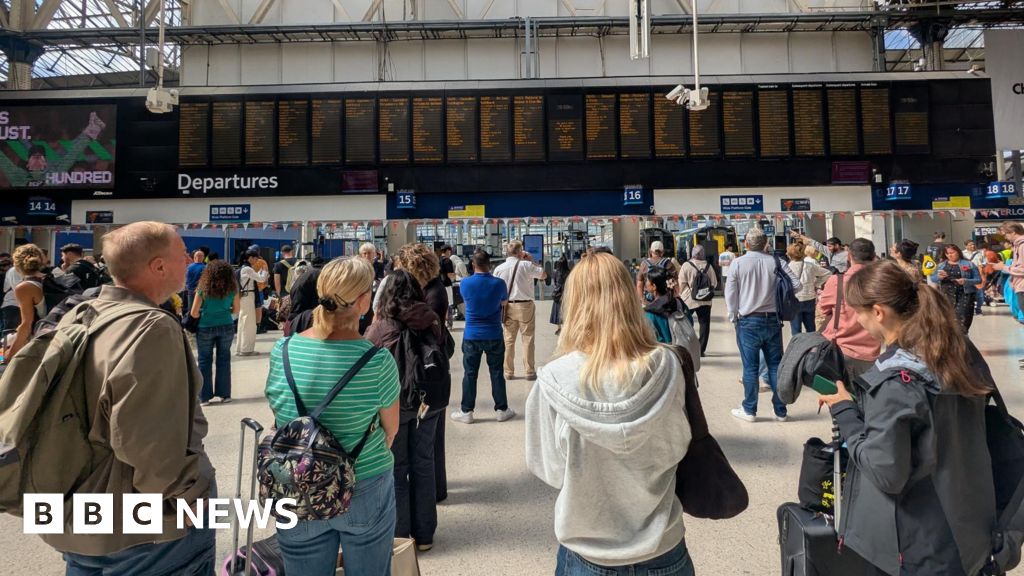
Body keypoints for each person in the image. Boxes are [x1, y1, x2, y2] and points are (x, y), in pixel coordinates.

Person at [818, 259, 995, 576]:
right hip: (971, 525)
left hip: (921, 540)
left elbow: (887, 472)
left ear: (878, 312)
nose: (858, 321)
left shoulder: (895, 379)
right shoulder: (957, 351)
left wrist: (845, 411)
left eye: (858, 312)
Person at [57, 221, 216, 575]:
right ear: (158, 266)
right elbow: (146, 439)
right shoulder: (152, 327)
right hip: (143, 522)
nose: (189, 260)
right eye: (182, 253)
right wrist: (188, 494)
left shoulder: (80, 314)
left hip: (79, 504)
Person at [526, 251, 693, 576]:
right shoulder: (668, 365)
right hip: (664, 547)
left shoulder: (553, 380)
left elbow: (552, 470)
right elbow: (678, 446)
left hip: (587, 551)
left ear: (574, 304)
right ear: (629, 296)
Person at [266, 256, 400, 576]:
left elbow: (281, 415)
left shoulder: (283, 351)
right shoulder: (377, 361)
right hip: (363, 481)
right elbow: (391, 430)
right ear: (364, 302)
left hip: (296, 484)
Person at [365, 270, 448, 552]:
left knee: (397, 468)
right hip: (429, 400)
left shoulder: (380, 326)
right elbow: (445, 349)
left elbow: (366, 360)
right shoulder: (430, 318)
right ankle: (425, 535)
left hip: (394, 403)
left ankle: (400, 536)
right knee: (424, 463)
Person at [725, 228, 801, 423]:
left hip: (748, 321)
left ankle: (749, 409)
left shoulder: (737, 263)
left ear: (746, 244)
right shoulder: (777, 262)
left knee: (750, 368)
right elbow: (797, 285)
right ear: (766, 244)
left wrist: (733, 316)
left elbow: (731, 294)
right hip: (773, 320)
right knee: (775, 366)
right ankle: (780, 411)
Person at [451, 250, 513, 424]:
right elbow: (503, 303)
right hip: (494, 333)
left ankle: (467, 411)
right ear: (490, 264)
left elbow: (467, 300)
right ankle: (502, 410)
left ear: (473, 264)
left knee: (470, 373)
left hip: (472, 335)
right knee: (497, 372)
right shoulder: (499, 284)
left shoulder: (465, 283)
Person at [818, 238, 882, 381]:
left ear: (849, 256)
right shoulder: (881, 282)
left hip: (840, 348)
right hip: (870, 351)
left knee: (840, 393)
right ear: (873, 256)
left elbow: (823, 310)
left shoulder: (836, 281)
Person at [494, 240, 547, 381]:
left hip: (507, 306)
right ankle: (529, 371)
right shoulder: (527, 265)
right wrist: (532, 260)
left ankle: (508, 372)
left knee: (509, 340)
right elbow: (543, 275)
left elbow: (495, 288)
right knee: (527, 339)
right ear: (520, 252)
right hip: (525, 306)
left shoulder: (499, 268)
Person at [189, 260, 240, 406]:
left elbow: (193, 312)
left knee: (204, 360)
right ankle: (225, 395)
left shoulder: (202, 288)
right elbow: (236, 310)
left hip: (205, 326)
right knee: (224, 359)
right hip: (226, 325)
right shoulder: (232, 288)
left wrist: (205, 313)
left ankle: (204, 397)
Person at [6, 244, 47, 359]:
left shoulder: (24, 287)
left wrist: (10, 354)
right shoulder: (49, 278)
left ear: (16, 264)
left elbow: (26, 324)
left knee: (2, 354)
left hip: (39, 339)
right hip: (56, 332)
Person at [677, 244, 718, 355]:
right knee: (704, 325)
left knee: (685, 323)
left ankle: (687, 347)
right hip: (706, 300)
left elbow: (681, 283)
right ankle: (701, 350)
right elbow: (714, 283)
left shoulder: (686, 265)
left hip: (689, 300)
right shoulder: (708, 266)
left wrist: (682, 294)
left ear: (692, 253)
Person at [936, 244, 980, 333]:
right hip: (946, 295)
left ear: (958, 252)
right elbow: (933, 278)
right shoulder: (941, 265)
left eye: (952, 253)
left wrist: (966, 281)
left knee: (962, 319)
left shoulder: (969, 264)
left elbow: (978, 280)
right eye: (947, 254)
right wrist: (938, 277)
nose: (950, 255)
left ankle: (962, 337)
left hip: (965, 295)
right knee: (947, 319)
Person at [788, 243, 830, 335]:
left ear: (789, 254)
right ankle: (812, 343)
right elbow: (827, 273)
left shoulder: (787, 268)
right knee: (811, 328)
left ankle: (797, 344)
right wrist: (816, 284)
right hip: (809, 298)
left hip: (794, 299)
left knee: (796, 330)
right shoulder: (810, 266)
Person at [236, 250, 268, 356]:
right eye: (255, 258)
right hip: (248, 296)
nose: (256, 261)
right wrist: (265, 270)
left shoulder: (242, 268)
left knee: (243, 321)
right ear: (250, 258)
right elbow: (261, 279)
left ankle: (241, 348)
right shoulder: (248, 269)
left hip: (243, 296)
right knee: (249, 323)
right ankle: (247, 349)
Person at [642, 268, 676, 344]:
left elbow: (649, 337)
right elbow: (690, 322)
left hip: (663, 349)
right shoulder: (678, 303)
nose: (645, 283)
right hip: (682, 348)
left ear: (654, 286)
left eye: (647, 280)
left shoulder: (649, 312)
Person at [248, 245, 270, 333]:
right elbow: (266, 275)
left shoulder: (249, 262)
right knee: (258, 307)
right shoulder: (262, 262)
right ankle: (258, 326)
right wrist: (266, 287)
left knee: (251, 307)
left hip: (249, 288)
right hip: (260, 288)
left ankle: (251, 326)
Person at [963, 240, 987, 316]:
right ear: (966, 246)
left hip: (978, 275)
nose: (972, 246)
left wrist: (982, 265)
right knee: (968, 294)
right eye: (970, 245)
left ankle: (978, 309)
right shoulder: (962, 253)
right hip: (967, 275)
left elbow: (985, 262)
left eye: (973, 244)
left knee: (980, 294)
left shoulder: (980, 253)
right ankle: (969, 309)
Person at [550, 254, 571, 335]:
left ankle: (559, 328)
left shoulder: (556, 272)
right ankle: (566, 328)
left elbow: (555, 283)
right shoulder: (569, 272)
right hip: (566, 293)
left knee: (557, 311)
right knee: (566, 310)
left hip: (557, 294)